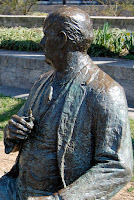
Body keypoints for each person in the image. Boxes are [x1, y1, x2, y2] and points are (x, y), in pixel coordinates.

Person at [0, 7, 133, 200]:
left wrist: (60, 199)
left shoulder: (105, 93)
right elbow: (18, 128)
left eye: (46, 35)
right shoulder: (43, 81)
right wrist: (12, 133)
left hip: (55, 195)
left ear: (62, 40)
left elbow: (117, 166)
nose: (41, 42)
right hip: (16, 187)